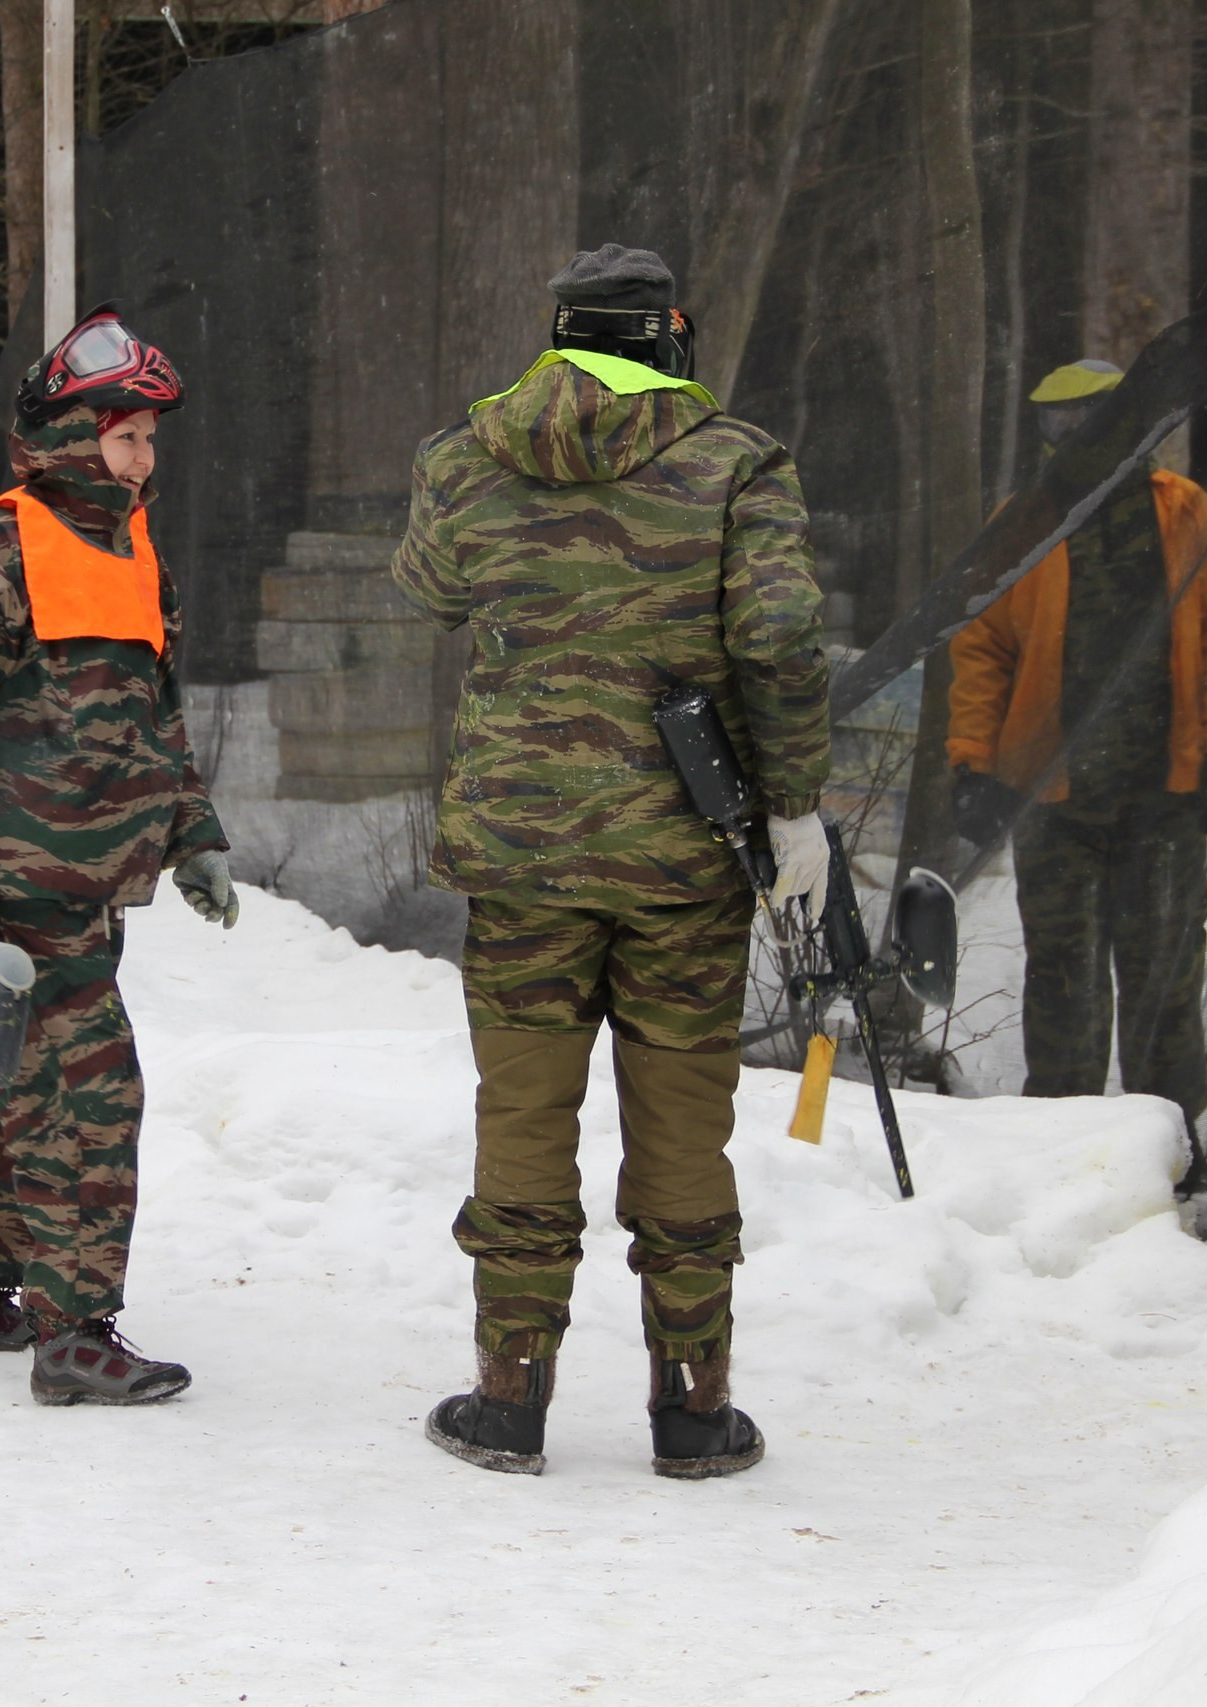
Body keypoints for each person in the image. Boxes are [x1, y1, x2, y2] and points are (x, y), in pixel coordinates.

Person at [389, 244, 832, 1479]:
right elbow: (781, 638)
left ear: (559, 333)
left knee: (523, 1117)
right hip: (683, 860)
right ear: (669, 333)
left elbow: (430, 587)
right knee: (682, 1125)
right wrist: (794, 806)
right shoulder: (737, 464)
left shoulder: (465, 457)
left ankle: (508, 1399)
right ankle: (692, 1411)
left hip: (521, 857)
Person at [0, 306, 239, 1407]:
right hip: (18, 890)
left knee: (13, 1082)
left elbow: (154, 716)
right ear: (75, 435)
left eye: (150, 440)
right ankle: (75, 1333)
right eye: (126, 437)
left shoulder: (131, 552)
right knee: (89, 1096)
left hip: (93, 885)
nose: (142, 460)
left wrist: (193, 835)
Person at [945, 357, 1207, 1176]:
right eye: (1056, 421)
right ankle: (1059, 1159)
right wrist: (974, 765)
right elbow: (983, 648)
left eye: (1085, 420)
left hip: (1164, 797)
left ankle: (1175, 1156)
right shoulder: (1023, 522)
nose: (1068, 437)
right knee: (1063, 983)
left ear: (1124, 422)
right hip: (1052, 800)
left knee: (1164, 984)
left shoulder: (1186, 512)